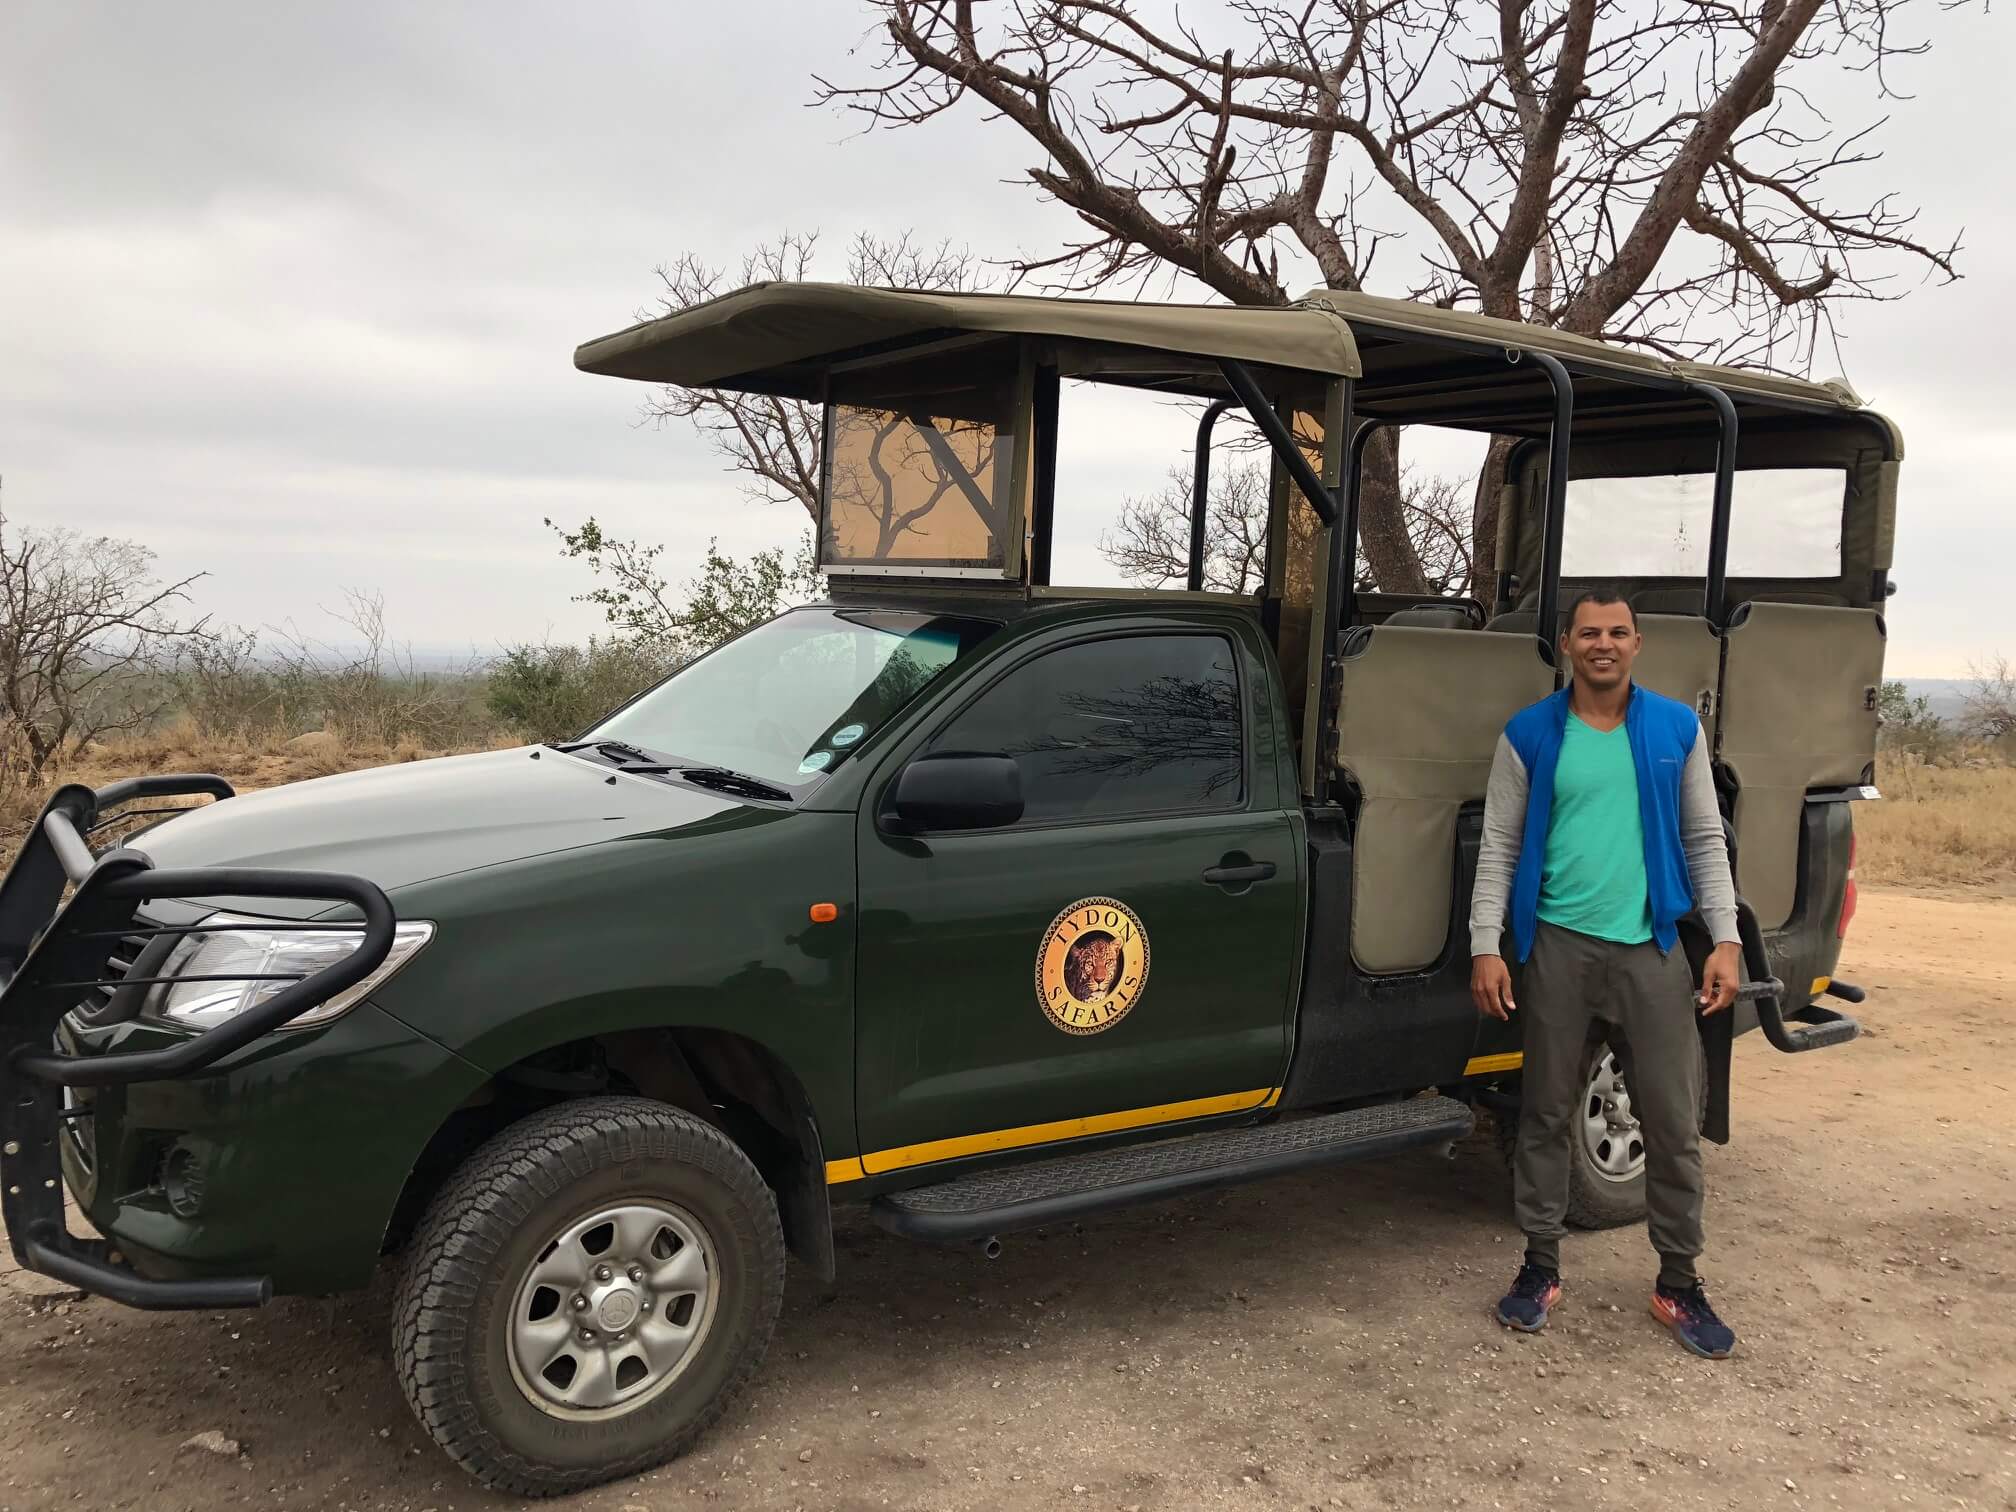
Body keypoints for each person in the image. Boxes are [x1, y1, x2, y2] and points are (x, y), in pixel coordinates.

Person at [1468, 587, 1744, 1359]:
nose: (1603, 645)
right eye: (1588, 633)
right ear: (1566, 645)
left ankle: (1679, 1282)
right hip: (1556, 946)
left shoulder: (1674, 730)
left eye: (1617, 633)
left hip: (1650, 948)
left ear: (1636, 644)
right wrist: (1485, 944)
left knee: (1670, 1121)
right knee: (1546, 1113)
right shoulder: (1529, 735)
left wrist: (1723, 938)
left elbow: (1702, 837)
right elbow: (1498, 847)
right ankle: (1539, 1266)